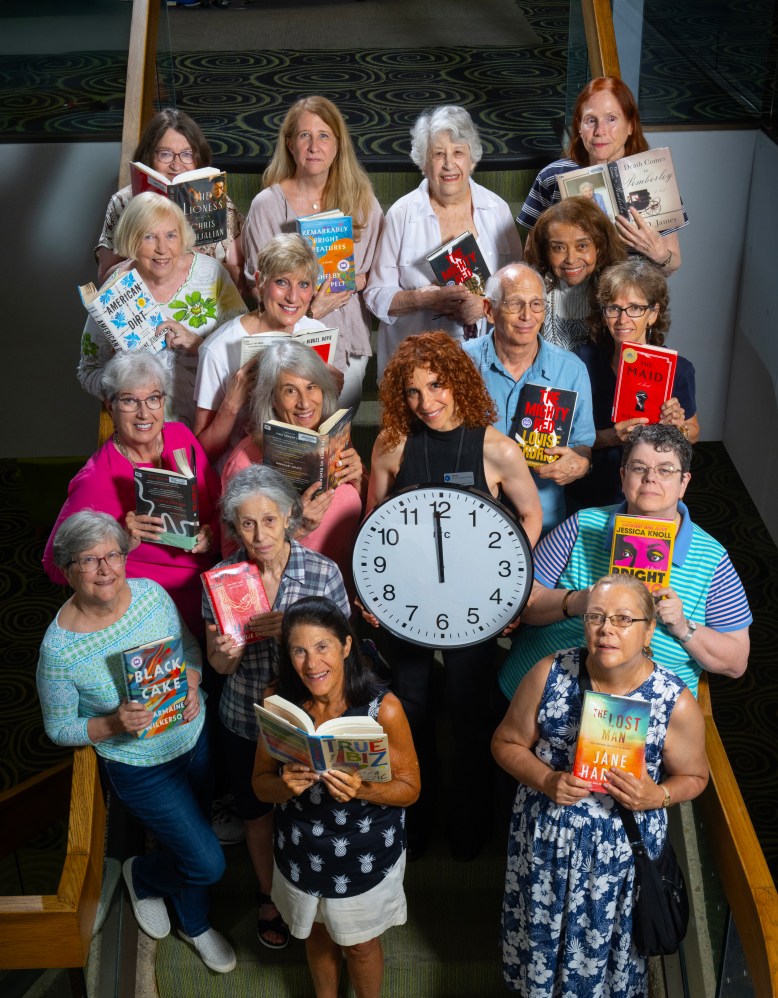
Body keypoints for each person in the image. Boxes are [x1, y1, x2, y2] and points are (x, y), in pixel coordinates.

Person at [364, 331, 541, 860]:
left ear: (458, 380)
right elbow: (374, 525)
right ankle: (413, 827)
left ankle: (469, 830)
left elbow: (531, 515)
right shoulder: (391, 445)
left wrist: (509, 583)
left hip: (474, 607)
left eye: (436, 385)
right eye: (413, 392)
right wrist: (371, 594)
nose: (427, 403)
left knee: (470, 714)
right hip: (408, 606)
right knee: (411, 711)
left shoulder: (497, 448)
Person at [37, 511, 235, 973]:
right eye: (90, 560)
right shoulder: (59, 650)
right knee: (207, 862)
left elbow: (187, 647)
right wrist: (112, 723)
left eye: (113, 555)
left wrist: (192, 677)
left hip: (194, 738)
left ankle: (193, 921)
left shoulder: (151, 595)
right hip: (141, 769)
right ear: (68, 571)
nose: (105, 568)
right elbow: (59, 728)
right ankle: (143, 878)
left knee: (194, 838)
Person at [493, 573, 708, 996]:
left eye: (624, 619)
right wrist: (546, 778)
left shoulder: (674, 701)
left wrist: (659, 795)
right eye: (596, 616)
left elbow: (696, 776)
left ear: (648, 630)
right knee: (538, 954)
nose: (607, 628)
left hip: (619, 865)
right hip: (545, 848)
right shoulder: (549, 673)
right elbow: (505, 742)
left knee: (603, 963)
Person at [204, 465, 350, 949]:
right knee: (256, 812)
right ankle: (268, 895)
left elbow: (342, 649)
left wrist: (296, 626)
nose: (260, 534)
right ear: (234, 526)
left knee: (312, 806)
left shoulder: (322, 571)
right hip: (245, 718)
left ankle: (316, 890)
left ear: (289, 516)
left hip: (309, 717)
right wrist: (223, 655)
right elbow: (218, 667)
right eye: (247, 524)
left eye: (269, 520)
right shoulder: (222, 580)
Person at [498, 424, 751, 703]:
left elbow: (736, 662)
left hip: (637, 720)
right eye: (639, 468)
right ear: (623, 476)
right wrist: (579, 601)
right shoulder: (582, 525)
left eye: (665, 470)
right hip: (542, 693)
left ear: (684, 483)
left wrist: (682, 626)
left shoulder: (712, 558)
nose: (650, 479)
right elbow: (521, 603)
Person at [253, 597, 420, 998]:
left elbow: (411, 789)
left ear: (347, 646)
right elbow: (260, 782)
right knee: (315, 937)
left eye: (323, 647)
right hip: (300, 846)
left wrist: (363, 789)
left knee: (360, 946)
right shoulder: (281, 702)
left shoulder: (385, 710)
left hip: (365, 851)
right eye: (299, 650)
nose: (312, 664)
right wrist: (284, 785)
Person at [44, 353, 219, 637]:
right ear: (109, 405)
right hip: (150, 615)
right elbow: (53, 564)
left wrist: (214, 533)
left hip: (210, 594)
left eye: (153, 398)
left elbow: (221, 505)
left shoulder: (181, 436)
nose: (144, 413)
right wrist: (122, 544)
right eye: (129, 400)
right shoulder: (94, 479)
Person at [242, 96, 384, 412]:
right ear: (290, 144)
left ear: (337, 145)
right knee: (289, 438)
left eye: (323, 136)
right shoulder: (266, 205)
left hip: (347, 338)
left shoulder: (362, 200)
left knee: (335, 439)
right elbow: (255, 283)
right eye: (304, 135)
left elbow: (381, 272)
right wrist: (307, 310)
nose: (313, 146)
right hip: (286, 342)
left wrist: (346, 284)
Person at [364, 105, 523, 378]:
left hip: (486, 364)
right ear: (425, 164)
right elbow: (376, 295)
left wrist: (487, 305)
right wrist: (422, 299)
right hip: (416, 366)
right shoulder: (401, 215)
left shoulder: (497, 210)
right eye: (439, 154)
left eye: (458, 153)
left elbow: (519, 286)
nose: (449, 164)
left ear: (471, 159)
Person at [78, 192, 247, 428]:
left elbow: (246, 355)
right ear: (132, 241)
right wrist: (121, 375)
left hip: (215, 423)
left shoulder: (212, 274)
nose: (162, 248)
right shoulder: (113, 292)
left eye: (171, 235)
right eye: (149, 237)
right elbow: (88, 371)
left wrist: (199, 344)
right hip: (146, 431)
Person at [220, 340, 365, 596]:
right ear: (272, 399)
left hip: (345, 591)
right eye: (290, 391)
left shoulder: (333, 437)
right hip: (292, 601)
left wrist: (360, 480)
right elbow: (234, 559)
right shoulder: (243, 462)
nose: (305, 403)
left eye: (311, 387)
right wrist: (297, 528)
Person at [464, 263, 595, 533]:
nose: (528, 316)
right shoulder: (458, 363)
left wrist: (580, 464)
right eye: (515, 304)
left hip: (545, 525)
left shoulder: (571, 370)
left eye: (537, 304)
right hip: (471, 517)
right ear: (489, 310)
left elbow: (582, 446)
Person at [517, 76, 682, 275]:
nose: (600, 131)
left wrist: (660, 255)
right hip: (566, 295)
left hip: (628, 298)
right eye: (591, 120)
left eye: (611, 119)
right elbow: (529, 256)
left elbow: (672, 264)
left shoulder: (656, 177)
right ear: (579, 126)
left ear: (630, 125)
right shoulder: (552, 176)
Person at [570, 258, 699, 509]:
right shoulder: (580, 363)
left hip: (651, 494)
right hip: (592, 488)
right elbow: (565, 437)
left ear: (653, 314)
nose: (622, 319)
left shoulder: (678, 368)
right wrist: (611, 437)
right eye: (613, 308)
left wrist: (678, 427)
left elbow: (693, 432)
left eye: (635, 308)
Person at [193, 233, 327, 464]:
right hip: (244, 473)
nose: (293, 297)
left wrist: (329, 389)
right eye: (281, 282)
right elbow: (202, 453)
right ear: (260, 282)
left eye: (303, 284)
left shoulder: (316, 332)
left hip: (300, 464)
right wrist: (231, 405)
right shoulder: (217, 348)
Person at [95, 107, 244, 290]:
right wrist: (146, 261)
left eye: (187, 154)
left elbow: (241, 279)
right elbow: (105, 279)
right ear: (149, 155)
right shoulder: (123, 202)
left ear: (198, 158)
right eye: (165, 154)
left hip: (206, 305)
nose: (176, 165)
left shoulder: (219, 200)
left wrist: (192, 262)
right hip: (144, 307)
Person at [523, 196, 627, 350]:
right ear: (546, 251)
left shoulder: (619, 294)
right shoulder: (532, 292)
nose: (571, 260)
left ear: (599, 247)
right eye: (559, 248)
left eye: (582, 246)